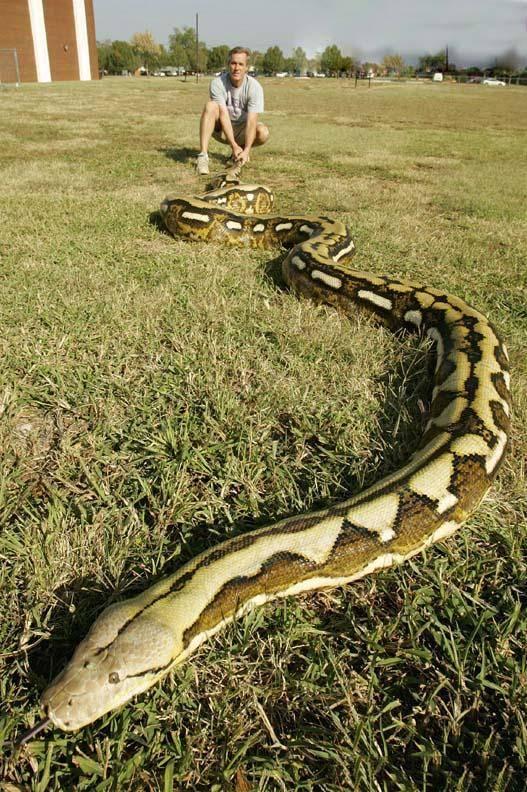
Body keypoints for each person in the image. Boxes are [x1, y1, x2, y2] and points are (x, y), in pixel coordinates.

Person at [196, 47, 269, 175]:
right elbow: (223, 115)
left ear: (247, 67)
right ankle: (203, 157)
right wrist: (233, 145)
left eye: (241, 64)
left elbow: (252, 122)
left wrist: (246, 150)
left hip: (242, 130)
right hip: (221, 129)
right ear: (228, 64)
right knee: (210, 106)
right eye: (233, 63)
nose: (237, 68)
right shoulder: (217, 83)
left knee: (263, 132)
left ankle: (239, 154)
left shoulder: (254, 87)